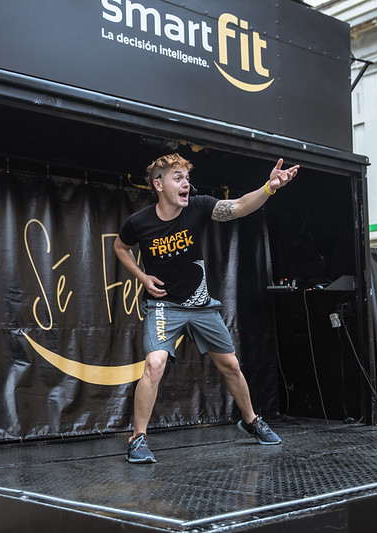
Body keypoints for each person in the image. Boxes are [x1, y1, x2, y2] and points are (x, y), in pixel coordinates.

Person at [114, 153, 299, 463]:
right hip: (163, 305)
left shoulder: (199, 206)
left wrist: (270, 187)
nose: (186, 184)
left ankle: (251, 420)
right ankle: (138, 438)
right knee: (155, 363)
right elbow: (120, 247)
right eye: (178, 178)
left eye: (187, 178)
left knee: (231, 365)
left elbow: (239, 206)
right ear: (158, 184)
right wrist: (142, 277)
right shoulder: (139, 222)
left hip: (201, 306)